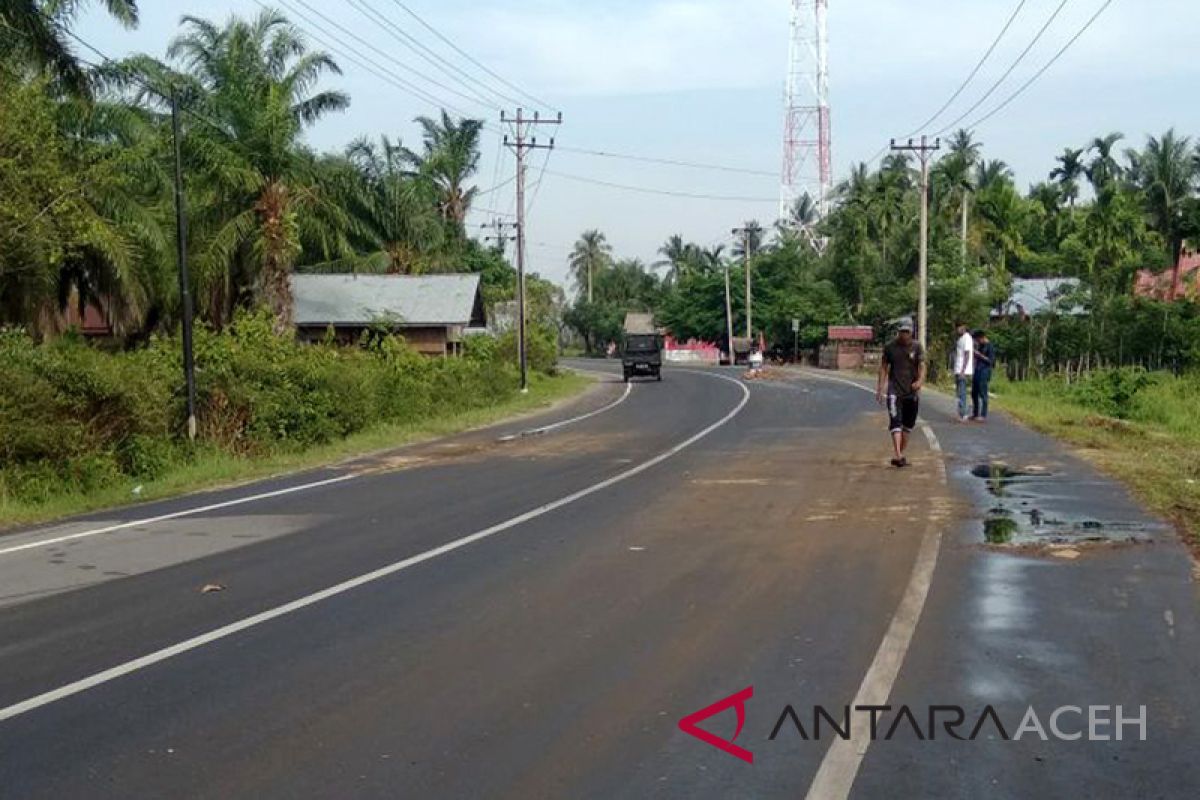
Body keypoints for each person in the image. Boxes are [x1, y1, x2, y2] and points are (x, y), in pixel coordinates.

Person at [877, 319, 926, 468]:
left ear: (911, 332)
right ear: (898, 331)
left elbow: (922, 366)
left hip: (911, 392)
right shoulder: (890, 347)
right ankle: (898, 455)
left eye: (907, 332)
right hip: (894, 391)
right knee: (895, 422)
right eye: (902, 331)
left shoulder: (917, 347)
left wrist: (920, 381)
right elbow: (884, 367)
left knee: (908, 426)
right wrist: (880, 388)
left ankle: (899, 454)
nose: (904, 335)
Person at [972, 330, 996, 421]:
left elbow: (991, 361)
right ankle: (975, 413)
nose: (977, 342)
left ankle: (983, 414)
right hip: (977, 370)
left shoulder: (990, 347)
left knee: (983, 392)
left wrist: (980, 355)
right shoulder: (980, 346)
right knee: (974, 393)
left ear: (982, 338)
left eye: (978, 340)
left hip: (985, 371)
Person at [953, 322, 975, 422]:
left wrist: (963, 370)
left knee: (962, 392)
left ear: (964, 327)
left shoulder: (967, 338)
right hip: (958, 369)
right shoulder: (960, 339)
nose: (958, 329)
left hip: (963, 370)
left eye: (960, 327)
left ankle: (964, 414)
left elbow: (967, 354)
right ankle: (960, 412)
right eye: (957, 327)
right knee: (959, 392)